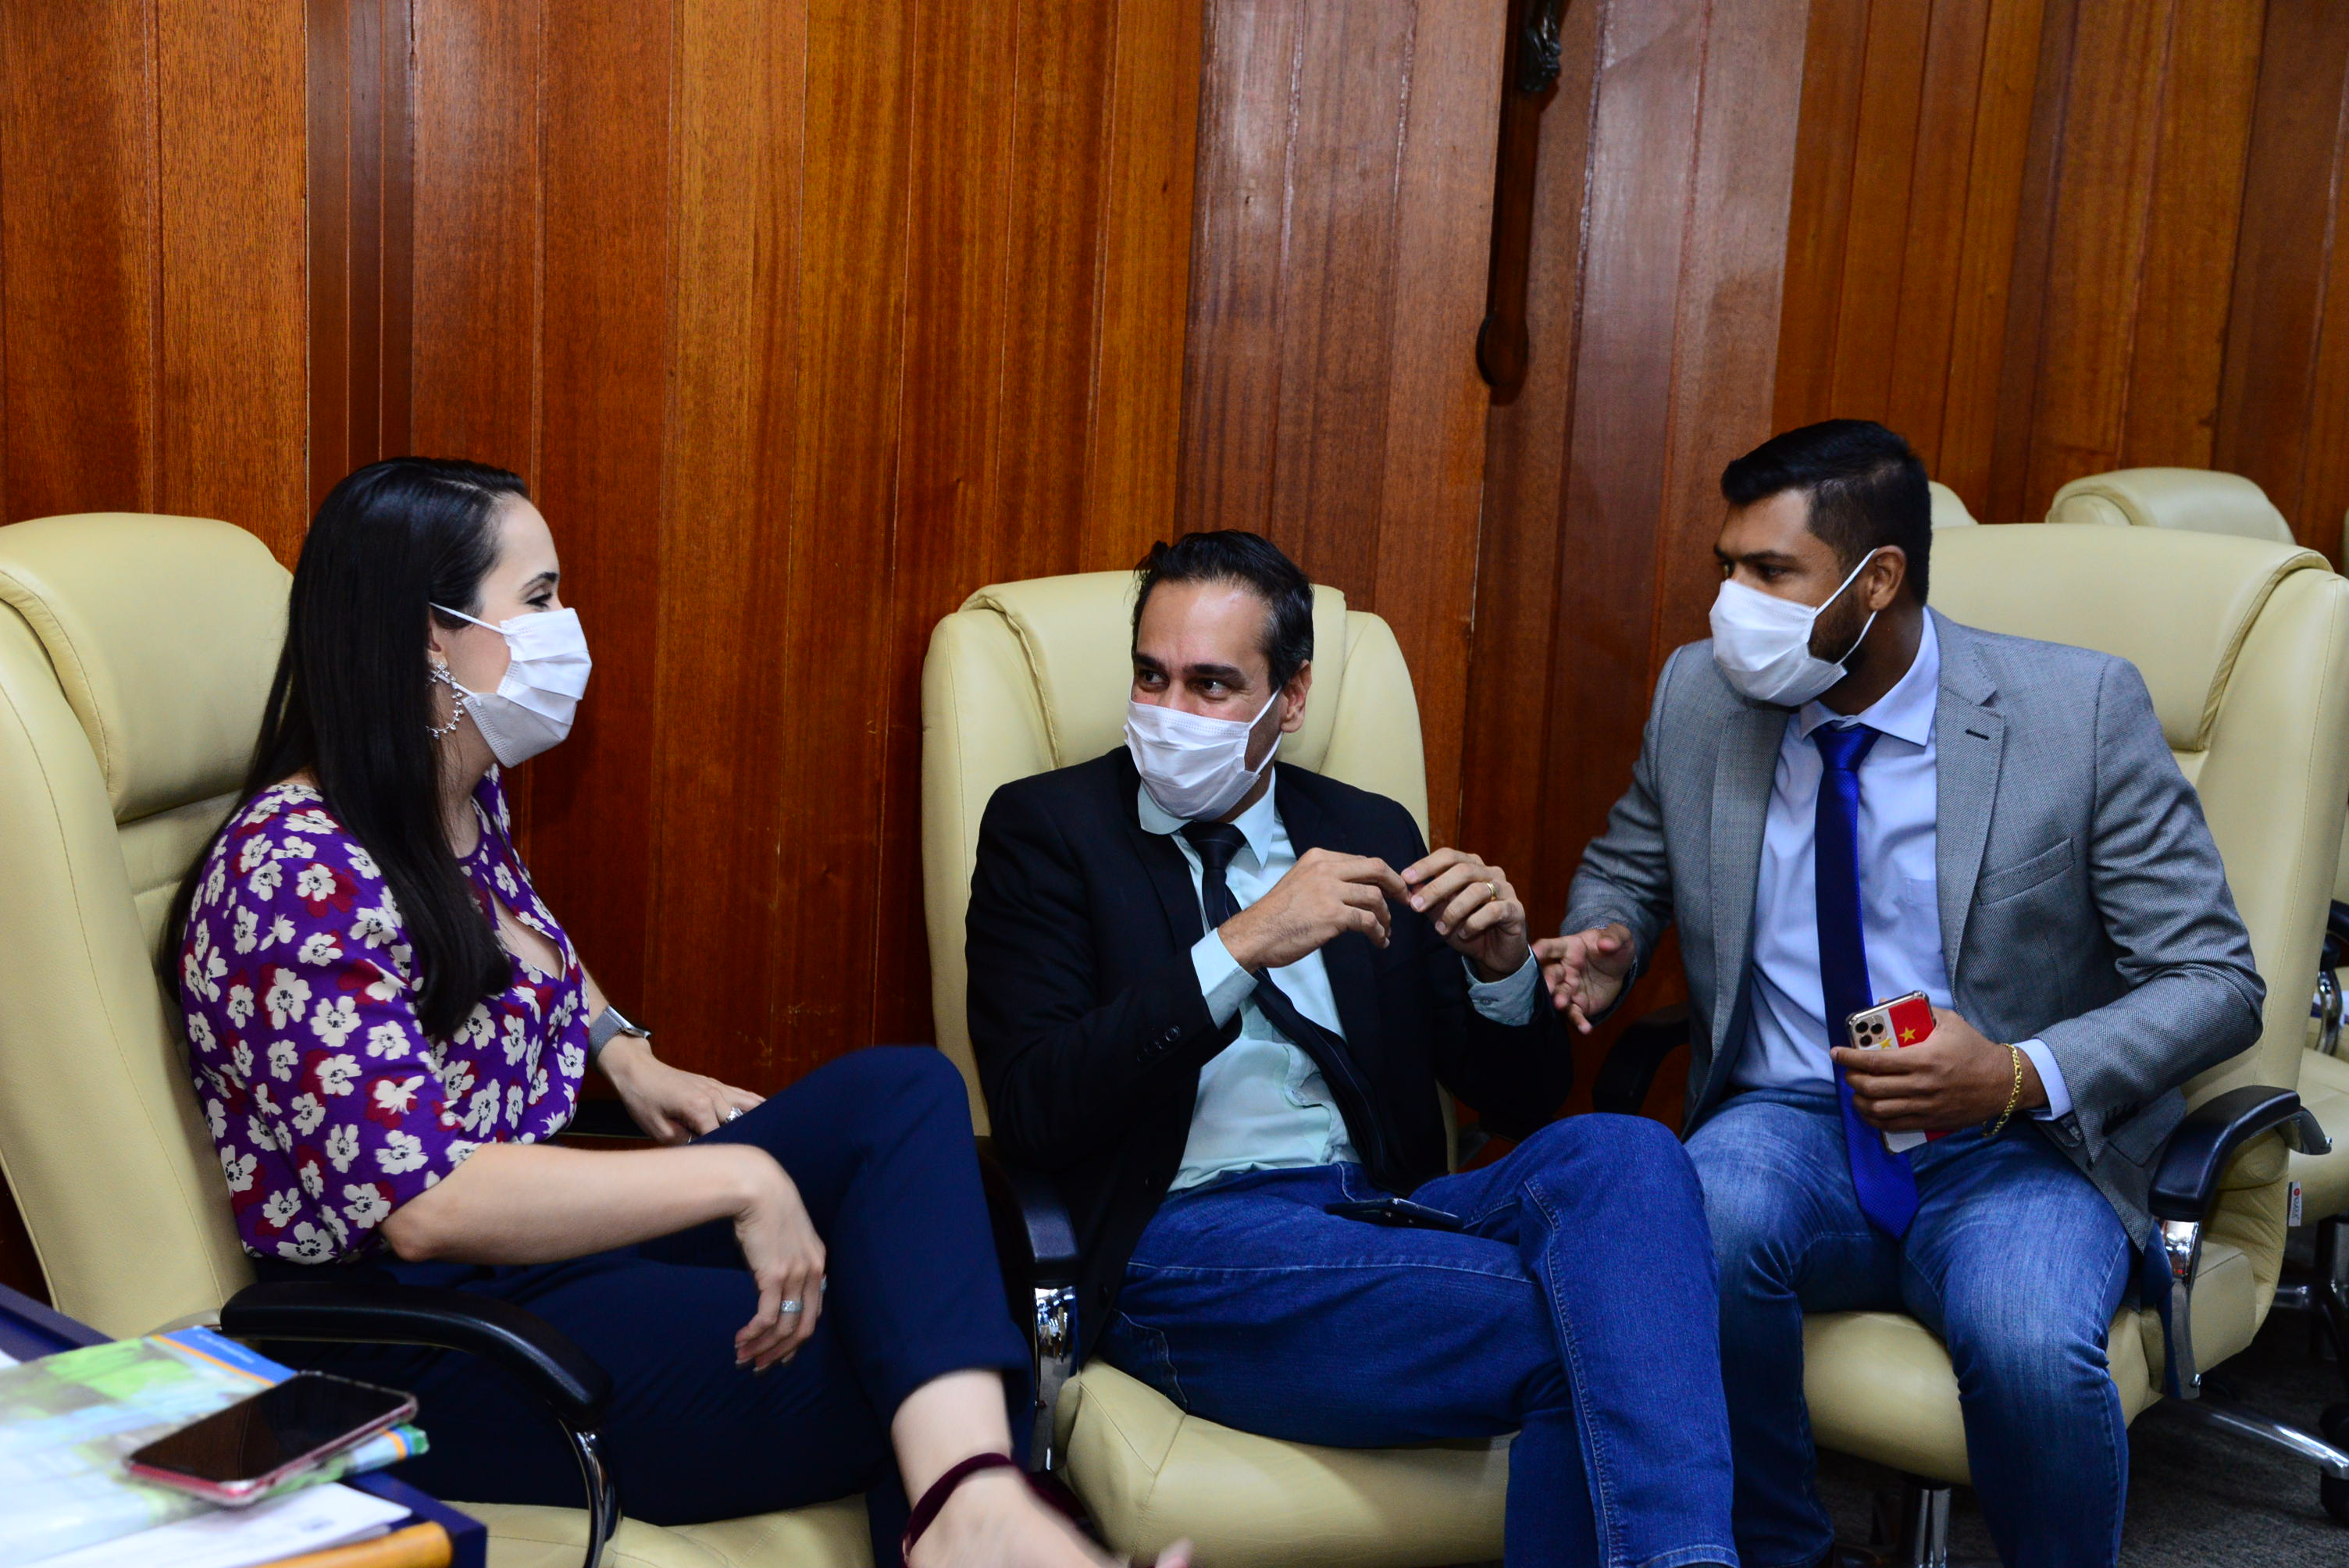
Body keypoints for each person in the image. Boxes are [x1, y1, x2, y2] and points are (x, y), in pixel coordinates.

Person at [170, 458, 1174, 1568]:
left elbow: (521, 944)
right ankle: (978, 1519)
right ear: (430, 638)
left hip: (539, 1251)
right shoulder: (294, 874)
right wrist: (741, 1179)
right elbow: (425, 1205)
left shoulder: (450, 789)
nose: (569, 626)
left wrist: (622, 1051)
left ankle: (971, 1513)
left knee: (905, 1097)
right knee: (916, 1353)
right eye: (540, 598)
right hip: (426, 1333)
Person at [1542, 419, 2265, 1568]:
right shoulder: (1701, 694)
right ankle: (1782, 1553)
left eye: (1771, 572)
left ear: (1877, 580)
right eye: (1726, 567)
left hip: (2019, 1145)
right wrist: (1609, 940)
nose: (1733, 605)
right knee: (1692, 1228)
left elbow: (2216, 980)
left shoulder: (2075, 713)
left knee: (2028, 1343)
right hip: (1791, 1117)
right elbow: (1630, 865)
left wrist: (2016, 1073)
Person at [966, 529, 1740, 1568]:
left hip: (1384, 1212)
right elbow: (1033, 1105)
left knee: (1631, 1155)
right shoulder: (1047, 830)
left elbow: (1519, 1097)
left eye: (1211, 685)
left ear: (1290, 699)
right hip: (1186, 1241)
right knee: (1603, 1325)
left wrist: (1503, 966)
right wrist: (1241, 945)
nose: (1168, 711)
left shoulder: (1367, 829)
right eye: (1151, 677)